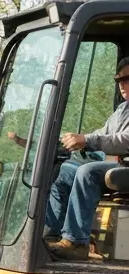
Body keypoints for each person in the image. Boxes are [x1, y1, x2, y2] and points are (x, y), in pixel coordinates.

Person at [38, 57, 129, 260]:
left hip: (126, 166)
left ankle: (77, 242)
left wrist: (87, 140)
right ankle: (51, 233)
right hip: (119, 163)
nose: (122, 85)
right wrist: (76, 141)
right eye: (119, 80)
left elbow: (124, 140)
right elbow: (104, 134)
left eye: (127, 79)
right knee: (65, 170)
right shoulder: (123, 109)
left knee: (87, 172)